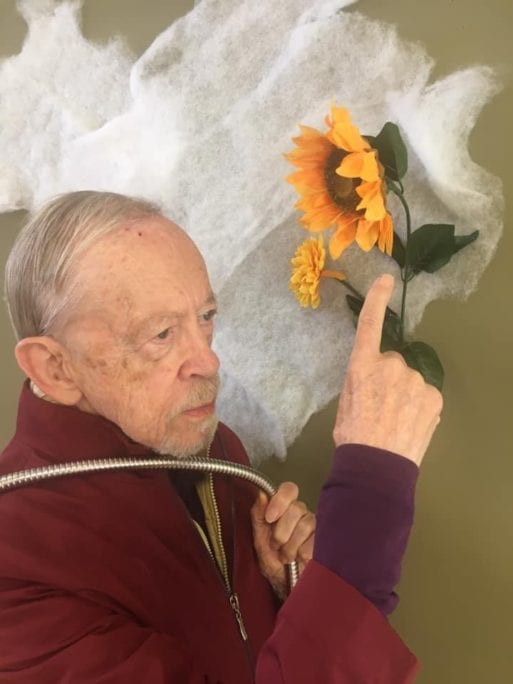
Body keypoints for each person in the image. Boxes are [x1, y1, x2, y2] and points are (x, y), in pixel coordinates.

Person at [0, 191, 442, 683]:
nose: (208, 362)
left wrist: (291, 591)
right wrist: (371, 494)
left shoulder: (213, 448)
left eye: (205, 317)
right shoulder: (15, 570)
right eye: (162, 334)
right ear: (55, 368)